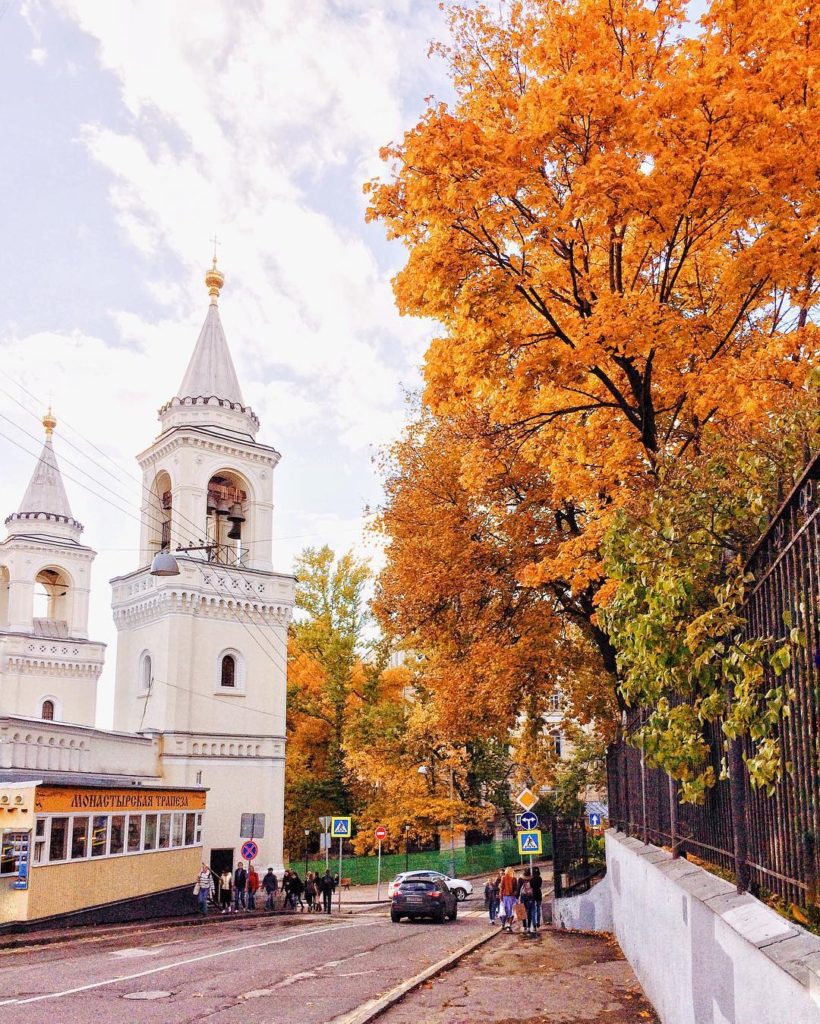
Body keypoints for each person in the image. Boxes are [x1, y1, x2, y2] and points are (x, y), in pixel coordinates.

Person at [517, 867, 536, 936]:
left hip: (523, 896)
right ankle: (528, 927)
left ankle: (524, 926)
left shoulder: (521, 878)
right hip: (530, 896)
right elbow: (534, 887)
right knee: (529, 912)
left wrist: (517, 897)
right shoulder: (532, 878)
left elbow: (518, 888)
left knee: (522, 911)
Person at [499, 866, 517, 932]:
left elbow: (501, 889)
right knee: (511, 912)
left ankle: (503, 924)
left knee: (504, 912)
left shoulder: (503, 878)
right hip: (512, 897)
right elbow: (516, 889)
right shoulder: (514, 878)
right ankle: (509, 925)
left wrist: (501, 898)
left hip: (505, 897)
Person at [531, 866, 543, 932]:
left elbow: (531, 886)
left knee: (533, 910)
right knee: (538, 909)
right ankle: (538, 922)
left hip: (533, 894)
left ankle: (534, 925)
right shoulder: (540, 878)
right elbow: (540, 885)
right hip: (538, 894)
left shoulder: (531, 879)